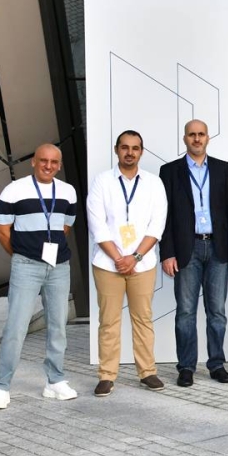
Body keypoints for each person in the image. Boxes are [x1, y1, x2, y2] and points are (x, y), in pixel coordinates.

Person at [0, 144, 79, 411]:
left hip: (59, 267)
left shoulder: (68, 191)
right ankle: (1, 387)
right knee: (16, 327)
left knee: (58, 326)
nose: (48, 166)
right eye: (43, 160)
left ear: (59, 165)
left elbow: (64, 227)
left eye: (53, 162)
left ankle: (55, 381)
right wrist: (23, 255)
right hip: (26, 266)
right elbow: (2, 230)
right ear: (33, 162)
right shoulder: (14, 190)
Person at [86, 130, 168, 396]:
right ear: (116, 150)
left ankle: (147, 372)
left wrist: (135, 257)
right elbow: (97, 225)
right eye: (125, 147)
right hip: (107, 264)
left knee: (143, 319)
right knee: (108, 321)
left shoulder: (154, 183)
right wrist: (118, 258)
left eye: (135, 148)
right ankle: (106, 375)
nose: (129, 152)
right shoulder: (102, 181)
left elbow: (157, 225)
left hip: (142, 264)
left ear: (141, 151)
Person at [159, 119, 228, 387]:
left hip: (217, 248)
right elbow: (164, 215)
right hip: (186, 249)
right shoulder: (170, 171)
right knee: (185, 312)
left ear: (208, 138)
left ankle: (217, 364)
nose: (197, 138)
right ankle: (186, 367)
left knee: (217, 312)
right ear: (185, 139)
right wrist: (167, 253)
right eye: (192, 134)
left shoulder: (222, 168)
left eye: (201, 134)